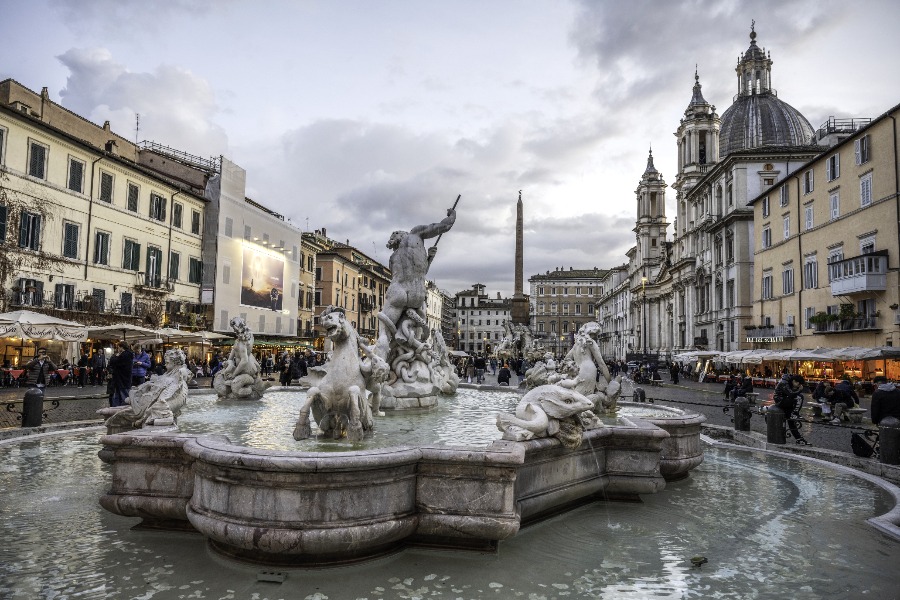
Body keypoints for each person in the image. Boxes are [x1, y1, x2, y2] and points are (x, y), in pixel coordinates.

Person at [375, 207, 456, 359]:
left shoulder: (393, 258)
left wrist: (428, 259)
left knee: (384, 332)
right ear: (403, 234)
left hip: (398, 291)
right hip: (417, 295)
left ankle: (382, 359)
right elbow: (440, 227)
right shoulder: (415, 234)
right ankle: (405, 338)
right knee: (416, 325)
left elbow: (399, 276)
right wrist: (451, 217)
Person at [771, 374, 807, 443]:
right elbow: (791, 394)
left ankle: (798, 438)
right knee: (799, 397)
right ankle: (795, 413)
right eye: (798, 384)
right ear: (794, 381)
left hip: (786, 401)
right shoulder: (784, 383)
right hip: (781, 401)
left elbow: (791, 394)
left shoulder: (788, 382)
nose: (798, 386)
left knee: (791, 420)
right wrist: (799, 390)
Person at [107, 341, 135, 407]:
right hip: (120, 380)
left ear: (121, 347)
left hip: (122, 380)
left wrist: (115, 356)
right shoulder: (126, 354)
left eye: (118, 347)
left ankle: (125, 410)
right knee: (118, 396)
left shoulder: (125, 355)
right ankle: (116, 409)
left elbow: (113, 361)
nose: (117, 349)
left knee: (124, 397)